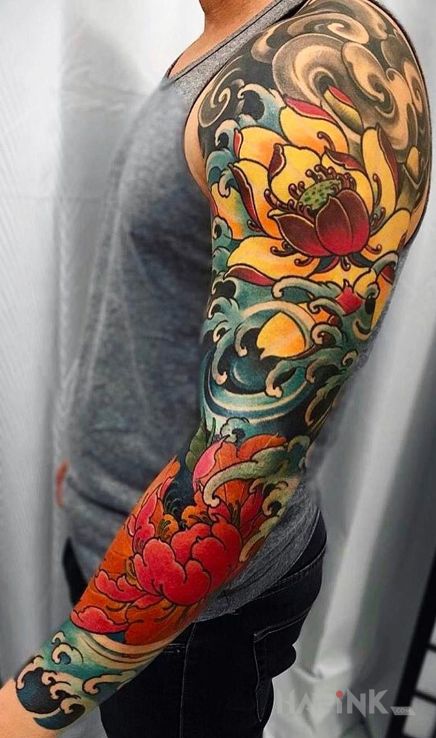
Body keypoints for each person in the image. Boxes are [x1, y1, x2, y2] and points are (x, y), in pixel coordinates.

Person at [0, 0, 431, 735]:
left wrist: (35, 702)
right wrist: (93, 455)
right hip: (127, 534)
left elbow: (246, 465)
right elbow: (159, 288)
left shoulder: (321, 66)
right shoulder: (222, 42)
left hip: (194, 605)